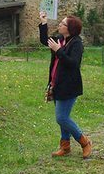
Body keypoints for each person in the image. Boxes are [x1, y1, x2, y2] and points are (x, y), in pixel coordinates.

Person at [38, 11, 92, 159]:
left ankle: (85, 142)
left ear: (70, 29)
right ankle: (65, 146)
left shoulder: (76, 43)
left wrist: (59, 51)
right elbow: (44, 40)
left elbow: (73, 64)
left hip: (69, 86)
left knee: (61, 118)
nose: (60, 25)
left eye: (63, 24)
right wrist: (43, 22)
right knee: (63, 117)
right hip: (57, 84)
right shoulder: (60, 39)